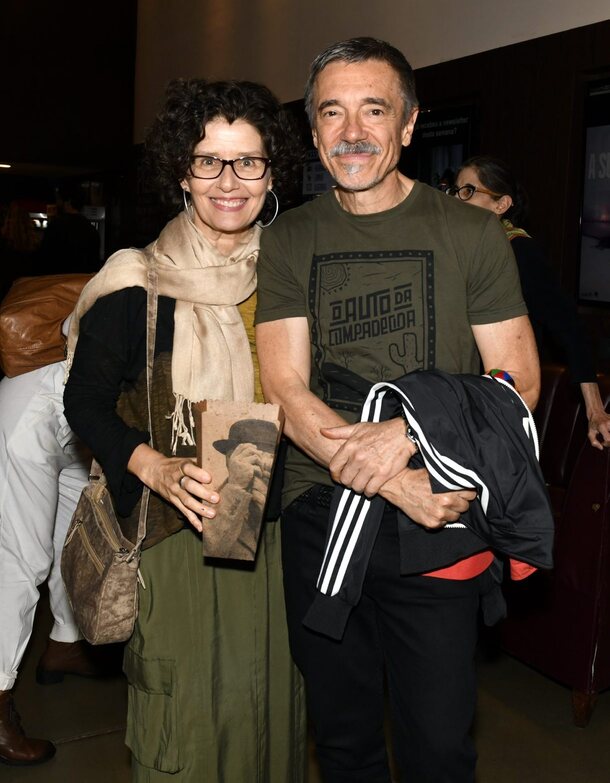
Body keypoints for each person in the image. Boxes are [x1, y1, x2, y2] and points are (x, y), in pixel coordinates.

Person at [255, 37, 539, 783]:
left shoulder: (472, 233)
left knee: (439, 747)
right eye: (332, 112)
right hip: (322, 510)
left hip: (441, 507)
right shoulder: (287, 238)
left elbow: (519, 379)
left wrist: (409, 440)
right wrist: (388, 479)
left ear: (409, 124)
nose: (352, 131)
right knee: (343, 741)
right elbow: (285, 389)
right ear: (314, 130)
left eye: (373, 110)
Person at [64, 80, 306, 781]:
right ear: (182, 172)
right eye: (209, 161)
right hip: (173, 535)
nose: (229, 181)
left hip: (277, 530)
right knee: (189, 723)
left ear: (271, 174)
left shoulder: (291, 275)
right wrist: (154, 465)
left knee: (270, 711)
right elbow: (84, 404)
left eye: (248, 161)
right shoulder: (136, 281)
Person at [450, 155, 610, 449]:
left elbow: (570, 327)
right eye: (455, 190)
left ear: (501, 205)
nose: (457, 199)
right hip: (457, 402)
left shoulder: (519, 251)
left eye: (469, 191)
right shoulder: (457, 252)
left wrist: (594, 410)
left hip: (501, 409)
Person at [0, 357, 95, 766]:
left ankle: (65, 644)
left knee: (77, 537)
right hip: (38, 396)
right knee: (20, 560)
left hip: (80, 412)